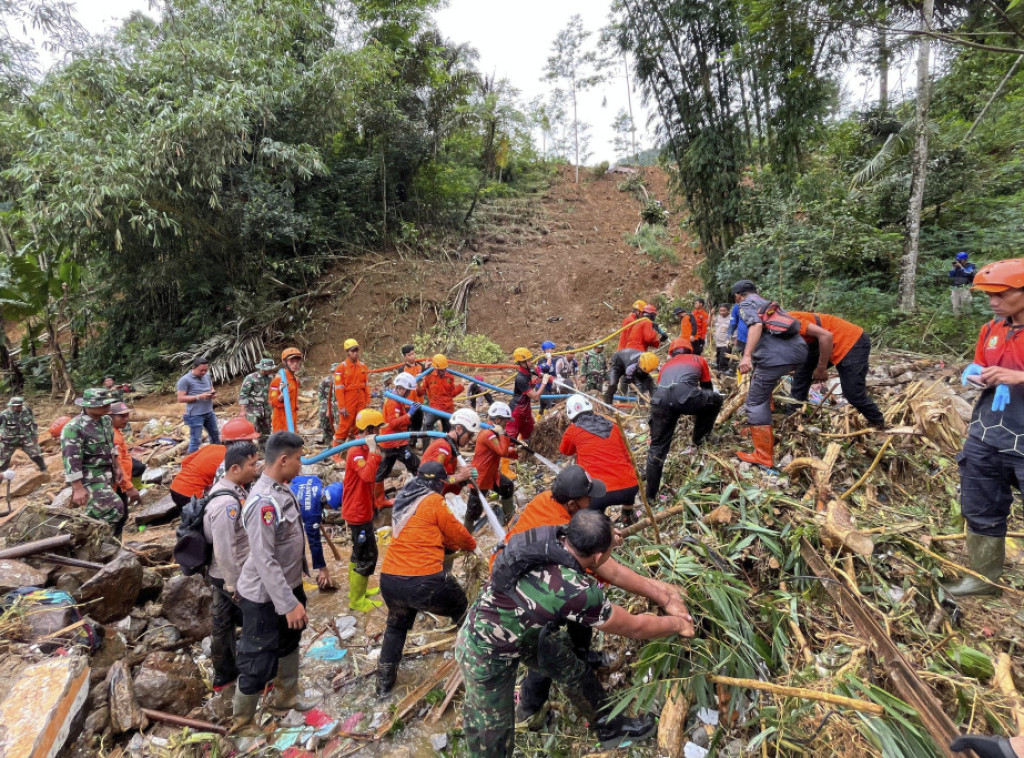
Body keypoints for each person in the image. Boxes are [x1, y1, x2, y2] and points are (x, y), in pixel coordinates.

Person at [458, 509, 694, 756]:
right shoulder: (576, 592)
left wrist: (664, 596)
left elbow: (611, 570)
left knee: (572, 669)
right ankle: (520, 720)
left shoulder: (558, 535)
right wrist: (678, 625)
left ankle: (608, 727)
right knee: (492, 737)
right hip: (484, 650)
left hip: (522, 630)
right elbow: (634, 627)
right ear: (599, 554)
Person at [494, 465, 693, 728]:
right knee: (546, 651)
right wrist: (669, 605)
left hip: (519, 577)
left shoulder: (553, 506)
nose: (594, 500)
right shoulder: (574, 588)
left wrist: (607, 536)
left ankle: (582, 654)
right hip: (518, 600)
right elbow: (631, 619)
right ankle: (533, 711)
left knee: (574, 629)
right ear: (574, 505)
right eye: (589, 497)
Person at [943, 258, 1024, 596]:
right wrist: (974, 371)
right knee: (980, 502)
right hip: (989, 428)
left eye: (1002, 294)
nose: (994, 302)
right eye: (989, 295)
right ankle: (983, 579)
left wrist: (1019, 377)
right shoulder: (993, 328)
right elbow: (983, 361)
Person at [376, 462, 478, 697]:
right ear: (436, 484)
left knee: (396, 626)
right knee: (464, 609)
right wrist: (473, 547)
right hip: (424, 581)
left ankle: (384, 686)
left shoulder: (405, 497)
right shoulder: (433, 501)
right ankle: (476, 663)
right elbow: (455, 531)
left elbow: (424, 531)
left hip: (390, 579)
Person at [232, 432, 312, 729]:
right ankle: (241, 725)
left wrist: (295, 595)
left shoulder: (282, 489)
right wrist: (288, 603)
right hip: (264, 597)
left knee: (289, 644)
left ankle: (285, 703)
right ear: (283, 460)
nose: (301, 465)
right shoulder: (263, 503)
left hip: (288, 587)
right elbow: (264, 559)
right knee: (256, 659)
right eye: (299, 459)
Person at [732, 280, 809, 468]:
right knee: (762, 389)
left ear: (737, 296)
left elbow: (756, 326)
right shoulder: (768, 304)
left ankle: (763, 456)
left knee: (754, 402)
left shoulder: (746, 304)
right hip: (798, 354)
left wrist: (747, 356)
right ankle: (764, 428)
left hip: (775, 358)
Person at [203, 441, 260, 693]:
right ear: (235, 468)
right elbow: (224, 549)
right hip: (231, 575)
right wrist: (233, 584)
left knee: (223, 623)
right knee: (253, 623)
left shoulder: (234, 489)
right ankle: (251, 676)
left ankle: (225, 676)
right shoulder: (226, 503)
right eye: (252, 464)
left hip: (224, 574)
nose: (255, 469)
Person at [645, 338, 723, 504]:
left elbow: (662, 391)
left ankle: (650, 496)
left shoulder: (665, 366)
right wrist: (697, 408)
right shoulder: (698, 359)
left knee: (657, 449)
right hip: (685, 397)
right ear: (690, 350)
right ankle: (699, 438)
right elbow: (707, 388)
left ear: (671, 353)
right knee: (715, 399)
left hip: (660, 401)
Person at [787, 311, 887, 428]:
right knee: (801, 376)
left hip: (850, 341)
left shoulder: (788, 322)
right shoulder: (769, 329)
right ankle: (794, 418)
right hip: (820, 342)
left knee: (853, 393)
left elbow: (826, 336)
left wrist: (821, 367)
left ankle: (878, 422)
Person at [561, 395, 639, 521]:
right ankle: (628, 512)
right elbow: (627, 455)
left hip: (598, 494)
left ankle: (604, 525)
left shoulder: (573, 430)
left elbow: (565, 451)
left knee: (592, 518)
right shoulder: (613, 426)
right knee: (626, 484)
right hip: (629, 488)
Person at [342, 409, 385, 612]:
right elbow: (368, 476)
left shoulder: (363, 448)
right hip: (357, 513)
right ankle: (357, 601)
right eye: (377, 429)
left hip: (362, 509)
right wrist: (375, 452)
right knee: (367, 555)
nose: (380, 432)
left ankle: (357, 592)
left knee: (358, 553)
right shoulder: (356, 451)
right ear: (369, 430)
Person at [61, 388, 124, 526]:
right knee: (114, 507)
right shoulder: (74, 428)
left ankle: (104, 543)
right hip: (89, 478)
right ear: (88, 406)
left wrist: (117, 466)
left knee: (100, 512)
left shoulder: (106, 421)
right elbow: (71, 459)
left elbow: (111, 446)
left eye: (108, 403)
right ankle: (86, 539)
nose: (107, 407)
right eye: (102, 404)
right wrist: (77, 488)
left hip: (107, 474)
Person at [168, 418, 261, 510]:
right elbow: (227, 488)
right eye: (250, 441)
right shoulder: (230, 459)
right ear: (241, 443)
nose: (252, 444)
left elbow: (185, 462)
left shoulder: (211, 447)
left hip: (175, 488)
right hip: (191, 497)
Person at [376, 372, 422, 509]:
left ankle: (421, 491)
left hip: (398, 441)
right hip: (391, 443)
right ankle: (378, 500)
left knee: (415, 464)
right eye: (407, 392)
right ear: (401, 389)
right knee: (382, 471)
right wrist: (409, 414)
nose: (408, 395)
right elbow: (392, 423)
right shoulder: (393, 402)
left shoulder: (397, 399)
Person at [291, 475, 344, 590]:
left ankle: (299, 576)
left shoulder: (314, 480)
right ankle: (295, 582)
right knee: (296, 546)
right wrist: (322, 568)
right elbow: (314, 543)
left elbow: (293, 479)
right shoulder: (312, 515)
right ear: (330, 503)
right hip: (285, 519)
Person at [473, 402, 518, 524]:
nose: (506, 424)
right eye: (505, 421)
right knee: (473, 512)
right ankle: (470, 533)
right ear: (497, 420)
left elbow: (504, 449)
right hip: (480, 478)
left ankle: (510, 518)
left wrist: (517, 450)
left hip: (491, 474)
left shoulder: (495, 432)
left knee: (507, 487)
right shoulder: (489, 434)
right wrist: (502, 433)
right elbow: (502, 451)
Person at [421, 407, 480, 497]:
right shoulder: (442, 448)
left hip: (438, 496)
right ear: (459, 429)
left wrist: (462, 480)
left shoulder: (452, 446)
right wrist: (459, 476)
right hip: (426, 498)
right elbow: (434, 479)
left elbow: (447, 478)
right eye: (470, 435)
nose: (471, 440)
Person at [109, 403, 140, 535]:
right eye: (121, 416)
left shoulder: (116, 432)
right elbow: (117, 465)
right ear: (110, 416)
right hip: (117, 485)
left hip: (120, 483)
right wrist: (128, 487)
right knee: (118, 517)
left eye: (127, 415)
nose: (125, 419)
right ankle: (113, 547)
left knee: (121, 516)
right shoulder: (113, 436)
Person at [506, 348, 551, 441]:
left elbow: (527, 391)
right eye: (529, 360)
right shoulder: (520, 378)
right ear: (522, 363)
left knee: (530, 436)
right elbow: (535, 397)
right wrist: (544, 383)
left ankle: (527, 453)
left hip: (525, 410)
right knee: (510, 441)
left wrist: (534, 383)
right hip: (516, 412)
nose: (531, 362)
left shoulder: (527, 372)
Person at [177, 357, 219, 453]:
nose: (203, 372)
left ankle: (216, 456)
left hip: (209, 412)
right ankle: (191, 461)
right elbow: (180, 398)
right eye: (201, 370)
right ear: (194, 368)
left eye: (205, 370)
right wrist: (199, 397)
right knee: (196, 440)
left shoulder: (207, 376)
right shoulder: (185, 380)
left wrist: (212, 393)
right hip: (194, 415)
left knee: (215, 435)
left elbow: (211, 388)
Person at [333, 339, 369, 444]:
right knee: (344, 427)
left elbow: (366, 385)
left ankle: (354, 451)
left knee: (359, 426)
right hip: (348, 401)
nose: (355, 353)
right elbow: (339, 389)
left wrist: (367, 401)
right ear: (347, 352)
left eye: (356, 350)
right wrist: (341, 406)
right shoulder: (341, 368)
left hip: (360, 399)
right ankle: (336, 454)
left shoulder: (363, 366)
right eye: (352, 351)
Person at [421, 354, 464, 437]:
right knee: (426, 425)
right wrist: (421, 378)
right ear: (435, 368)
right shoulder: (428, 376)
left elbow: (452, 393)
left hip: (447, 408)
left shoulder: (449, 377)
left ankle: (448, 447)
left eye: (445, 369)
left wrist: (461, 386)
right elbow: (420, 392)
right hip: (435, 408)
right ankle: (425, 449)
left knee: (449, 431)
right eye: (441, 370)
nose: (443, 372)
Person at [0, 397, 46, 472]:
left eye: (18, 406)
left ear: (21, 405)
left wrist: (34, 435)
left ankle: (43, 469)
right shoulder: (4, 415)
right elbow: (1, 426)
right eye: (13, 406)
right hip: (8, 440)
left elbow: (33, 423)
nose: (15, 408)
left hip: (25, 438)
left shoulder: (27, 411)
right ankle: (2, 476)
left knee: (36, 454)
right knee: (3, 460)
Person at [238, 358, 276, 440]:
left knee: (266, 433)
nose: (271, 370)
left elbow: (273, 392)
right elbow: (243, 395)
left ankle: (264, 450)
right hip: (253, 410)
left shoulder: (271, 378)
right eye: (269, 369)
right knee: (252, 432)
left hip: (266, 410)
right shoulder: (251, 378)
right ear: (262, 369)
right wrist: (242, 411)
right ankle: (252, 450)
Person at [269, 348, 303, 435]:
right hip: (281, 420)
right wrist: (282, 396)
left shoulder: (295, 379)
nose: (295, 364)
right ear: (285, 362)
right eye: (292, 361)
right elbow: (272, 402)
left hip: (292, 418)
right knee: (282, 445)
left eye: (297, 361)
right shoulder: (279, 380)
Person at [399, 345, 426, 435]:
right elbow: (402, 384)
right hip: (407, 402)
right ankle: (407, 443)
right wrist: (416, 379)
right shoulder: (402, 369)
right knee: (407, 424)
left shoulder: (421, 366)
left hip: (419, 401)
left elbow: (426, 381)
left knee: (417, 424)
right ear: (405, 357)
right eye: (409, 355)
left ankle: (414, 442)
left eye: (413, 353)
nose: (412, 356)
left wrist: (428, 368)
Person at [316, 364, 339, 444]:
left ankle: (339, 441)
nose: (334, 374)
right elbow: (320, 394)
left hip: (338, 403)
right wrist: (326, 406)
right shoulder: (326, 380)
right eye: (333, 372)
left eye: (336, 372)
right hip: (326, 402)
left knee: (339, 421)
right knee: (323, 417)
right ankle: (328, 440)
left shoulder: (343, 381)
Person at [950, 251, 977, 315]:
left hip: (965, 288)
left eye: (960, 260)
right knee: (955, 307)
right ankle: (957, 320)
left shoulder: (971, 266)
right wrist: (953, 268)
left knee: (966, 306)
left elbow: (968, 273)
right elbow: (951, 275)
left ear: (965, 260)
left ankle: (967, 321)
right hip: (955, 288)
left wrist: (961, 267)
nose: (958, 261)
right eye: (958, 260)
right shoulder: (956, 267)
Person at [712, 305, 732, 372]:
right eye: (721, 311)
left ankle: (724, 375)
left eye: (724, 310)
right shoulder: (718, 317)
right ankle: (719, 376)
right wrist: (711, 314)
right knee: (718, 361)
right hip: (718, 343)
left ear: (728, 311)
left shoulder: (732, 319)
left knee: (723, 361)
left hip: (726, 343)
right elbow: (709, 323)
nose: (722, 312)